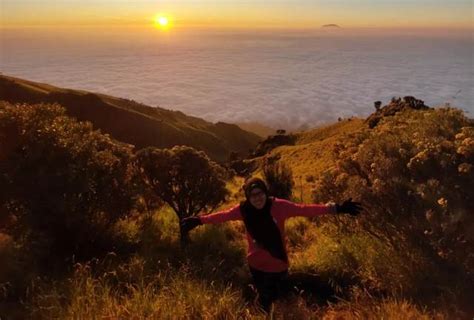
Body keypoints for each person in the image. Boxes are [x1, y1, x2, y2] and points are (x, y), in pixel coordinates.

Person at [180, 177, 362, 312]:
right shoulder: (243, 210)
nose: (257, 198)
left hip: (278, 264)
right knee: (266, 298)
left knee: (269, 299)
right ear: (248, 197)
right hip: (255, 264)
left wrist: (336, 208)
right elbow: (223, 215)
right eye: (252, 195)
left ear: (266, 193)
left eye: (260, 193)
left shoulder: (279, 206)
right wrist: (199, 220)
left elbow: (305, 209)